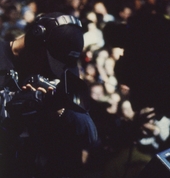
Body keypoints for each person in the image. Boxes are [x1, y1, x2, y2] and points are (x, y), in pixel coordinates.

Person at [0, 12, 98, 177]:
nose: (53, 73)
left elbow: (90, 133)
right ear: (35, 40)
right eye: (49, 64)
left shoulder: (53, 79)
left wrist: (58, 109)